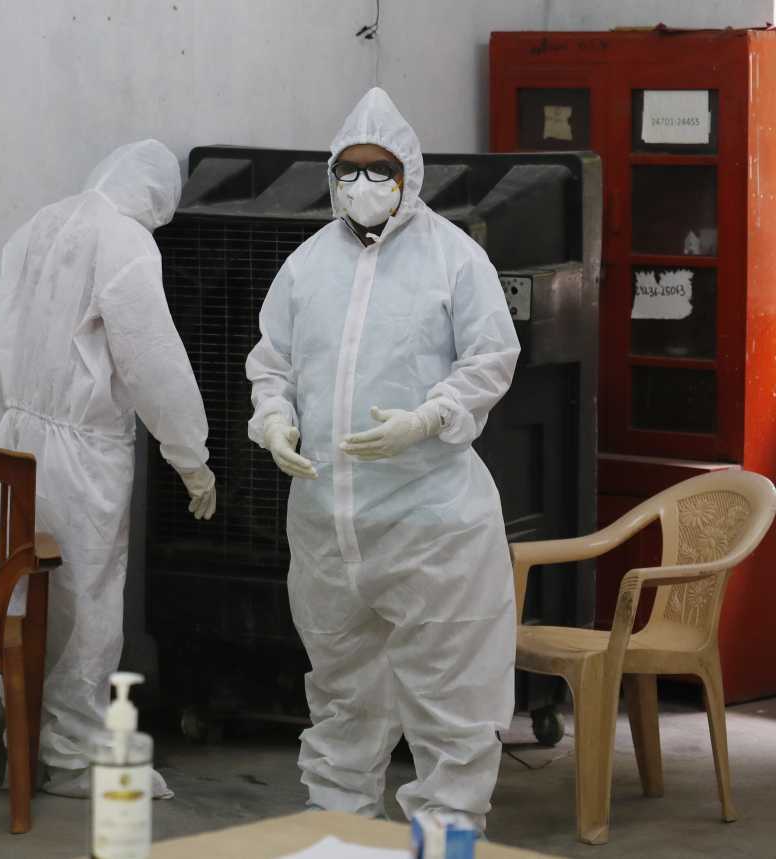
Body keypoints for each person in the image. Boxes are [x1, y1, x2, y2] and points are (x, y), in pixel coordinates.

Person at [245, 88, 520, 831]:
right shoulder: (306, 266)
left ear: (409, 174)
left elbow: (491, 358)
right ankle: (340, 836)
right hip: (330, 527)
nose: (363, 184)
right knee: (341, 703)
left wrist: (430, 417)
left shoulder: (454, 259)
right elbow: (273, 362)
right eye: (350, 169)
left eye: (380, 169)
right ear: (332, 175)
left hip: (432, 526)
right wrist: (274, 419)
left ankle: (447, 844)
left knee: (452, 711)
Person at [0, 139, 216, 799]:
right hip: (84, 451)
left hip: (18, 436)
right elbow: (152, 360)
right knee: (86, 603)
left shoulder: (38, 228)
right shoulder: (125, 242)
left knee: (27, 598)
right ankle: (75, 756)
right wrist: (191, 456)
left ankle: (23, 743)